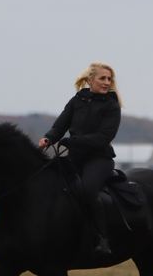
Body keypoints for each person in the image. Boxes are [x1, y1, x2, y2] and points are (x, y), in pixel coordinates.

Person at [38, 63, 122, 255]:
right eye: (103, 78)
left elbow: (103, 138)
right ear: (90, 80)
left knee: (88, 190)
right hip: (75, 158)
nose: (107, 82)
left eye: (109, 79)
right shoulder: (76, 101)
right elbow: (60, 125)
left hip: (99, 159)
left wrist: (74, 141)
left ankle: (102, 238)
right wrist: (48, 138)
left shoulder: (111, 105)